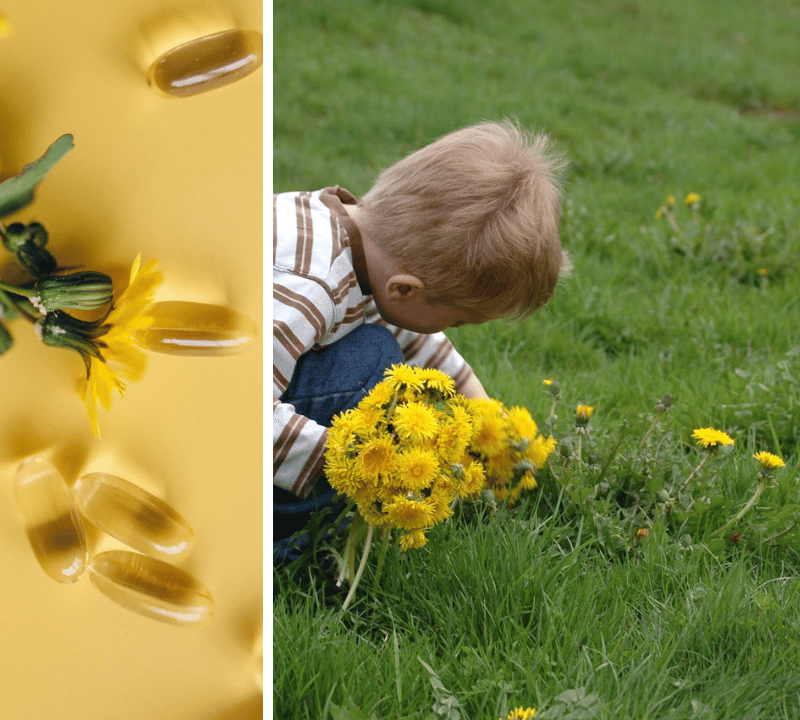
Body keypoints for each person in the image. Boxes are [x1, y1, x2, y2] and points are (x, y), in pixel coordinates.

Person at [273, 119, 570, 562]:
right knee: (376, 367)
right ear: (406, 290)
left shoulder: (356, 244)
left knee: (380, 347)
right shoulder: (308, 288)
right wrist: (368, 464)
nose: (450, 330)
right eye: (460, 320)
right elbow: (231, 415)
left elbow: (411, 331)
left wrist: (486, 415)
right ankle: (279, 544)